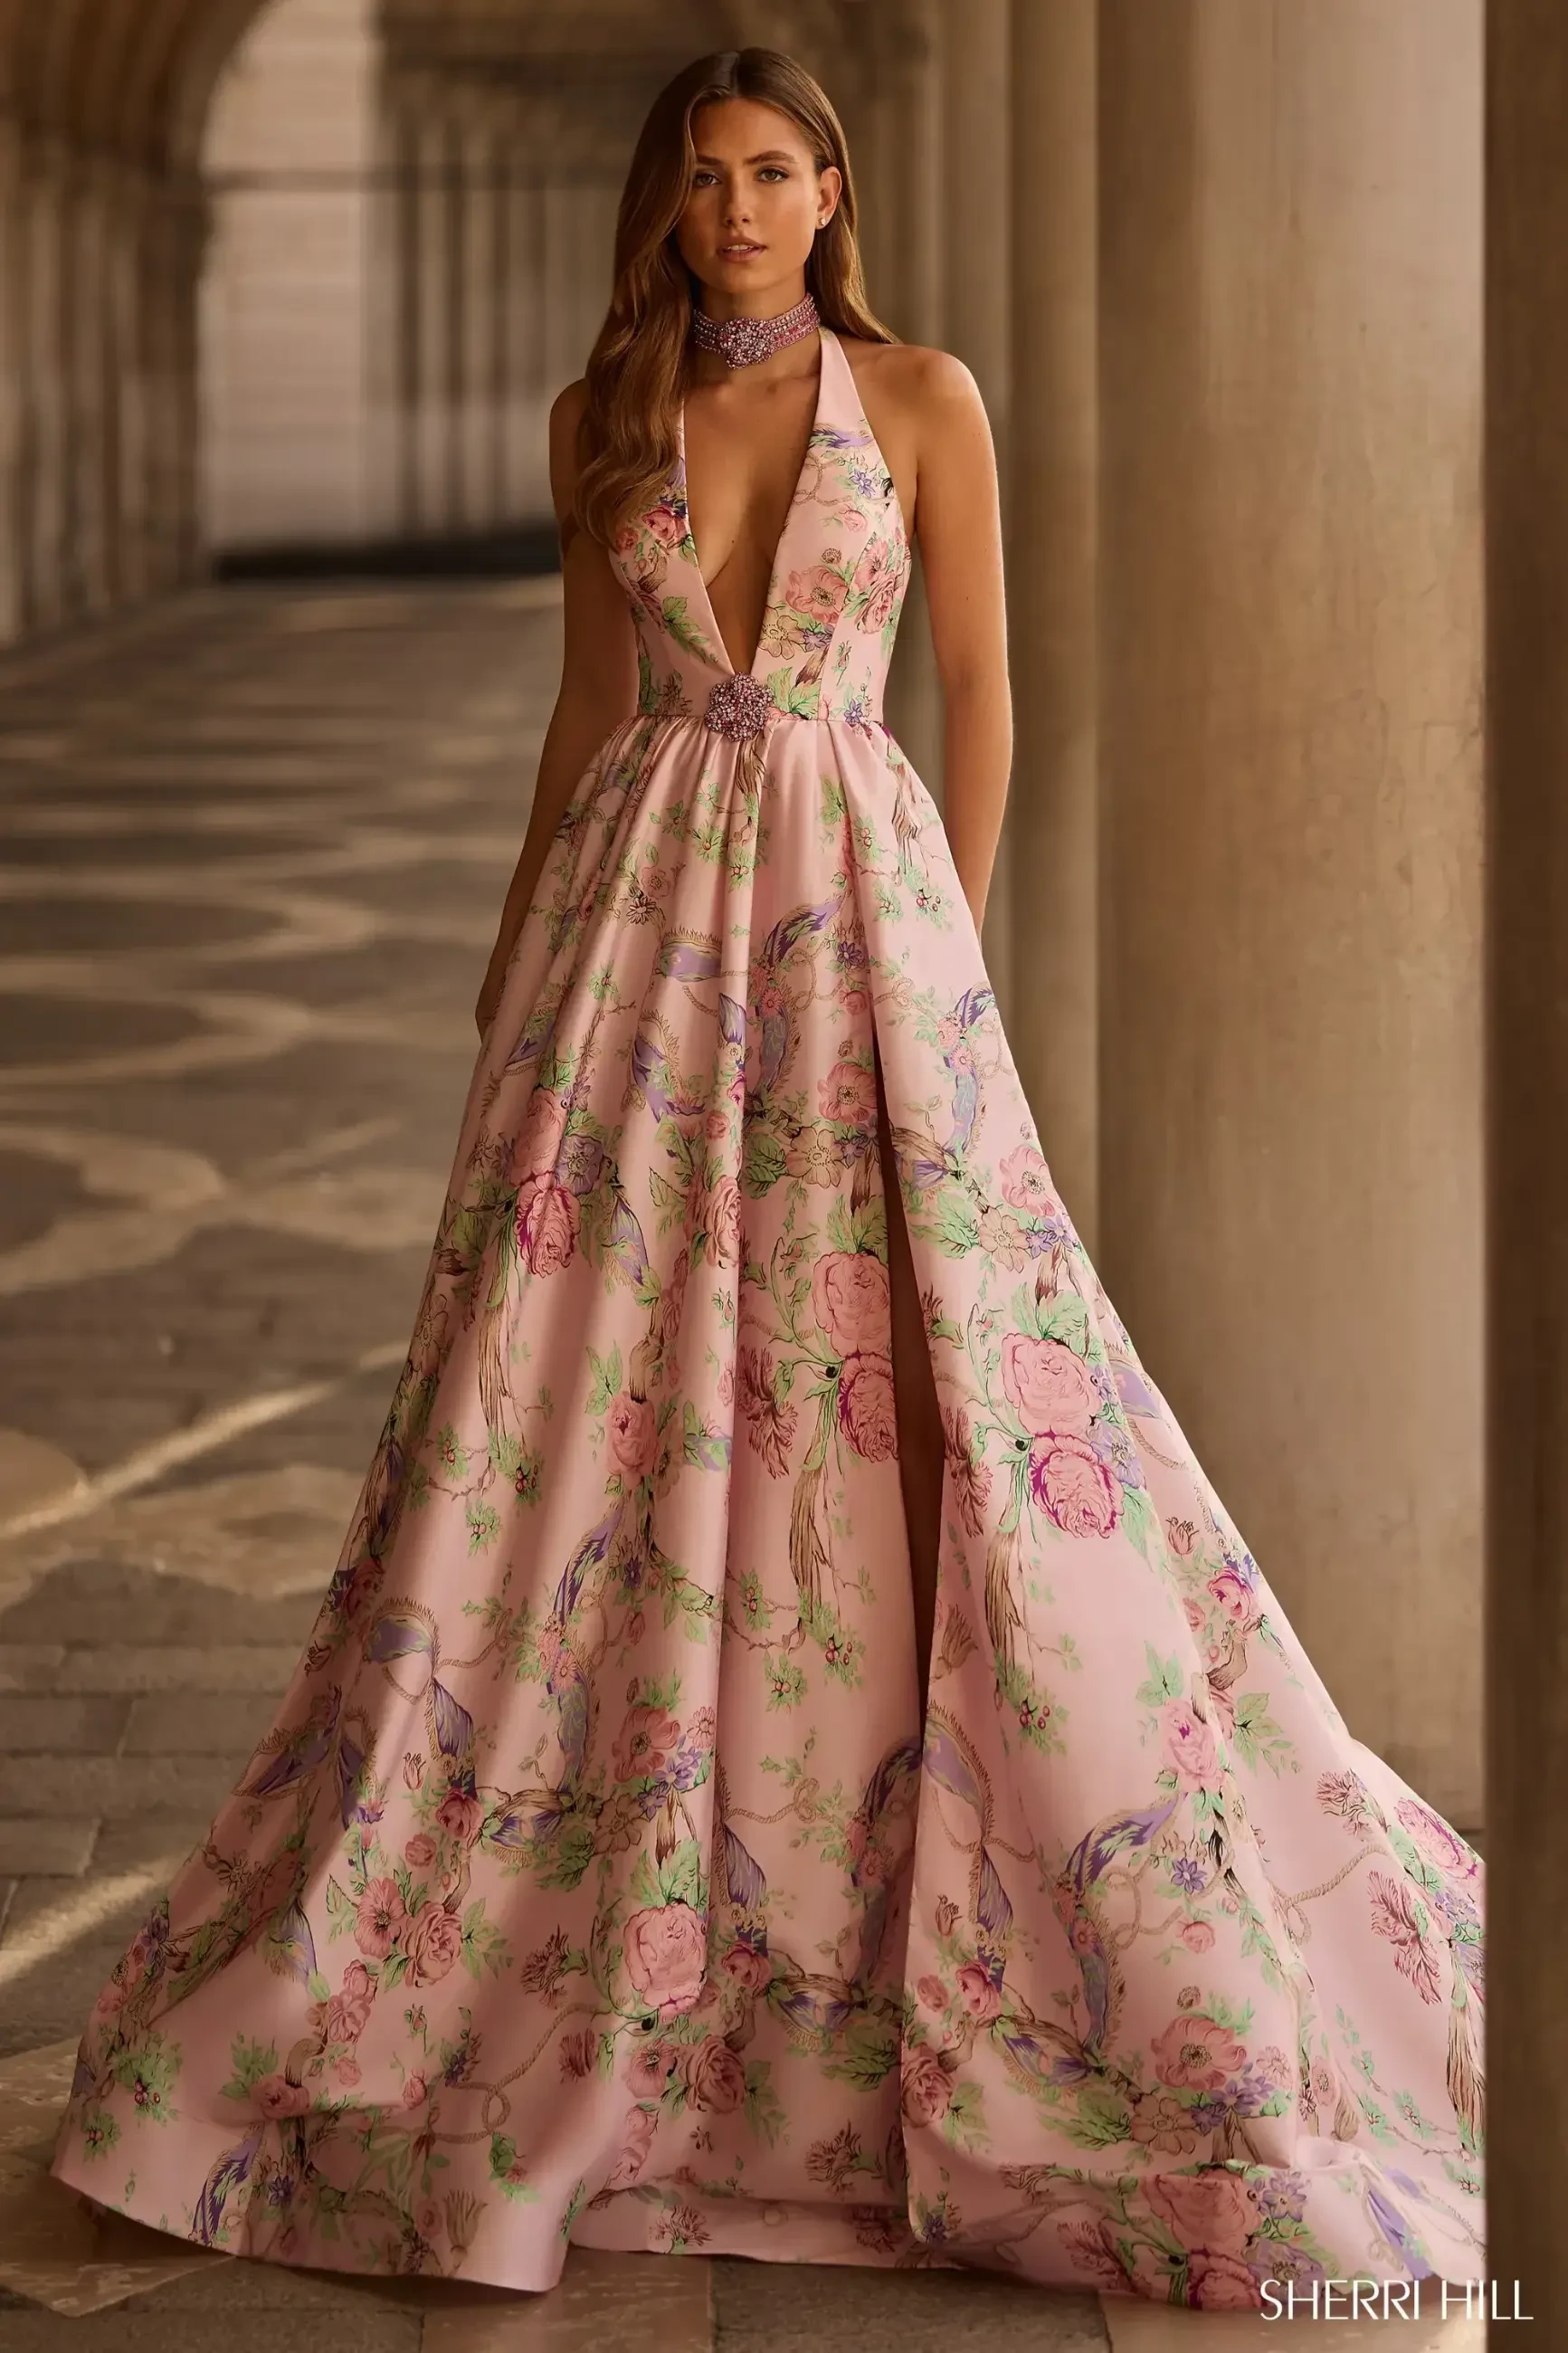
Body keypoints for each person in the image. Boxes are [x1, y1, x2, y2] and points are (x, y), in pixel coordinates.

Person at [51, 47, 1485, 2310]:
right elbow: (576, 708)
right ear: (670, 197)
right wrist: (515, 960)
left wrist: (952, 947)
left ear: (834, 192)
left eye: (776, 173)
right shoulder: (592, 416)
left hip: (856, 919)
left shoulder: (918, 395)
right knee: (589, 1414)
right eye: (706, 176)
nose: (739, 208)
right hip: (635, 929)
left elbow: (986, 687)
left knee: (888, 1394)